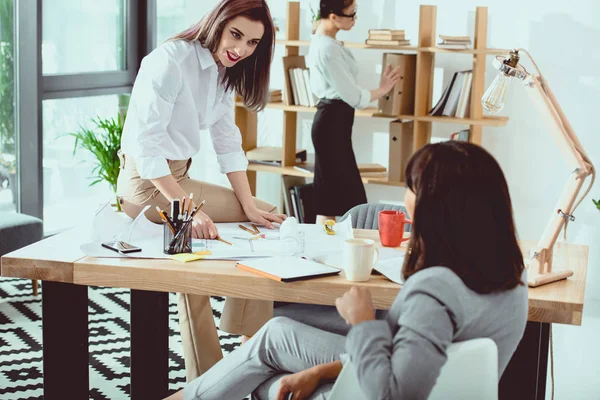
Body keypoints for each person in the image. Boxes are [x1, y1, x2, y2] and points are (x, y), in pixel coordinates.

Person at [166, 141, 529, 400]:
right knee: (276, 332)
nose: (404, 197)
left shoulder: (435, 289)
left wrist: (363, 321)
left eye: (410, 187)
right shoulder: (511, 275)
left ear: (436, 206)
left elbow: (393, 392)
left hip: (374, 388)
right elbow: (416, 358)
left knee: (272, 358)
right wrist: (321, 370)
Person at [116, 0, 286, 381]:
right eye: (236, 35)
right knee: (190, 253)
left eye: (253, 43)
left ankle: (249, 340)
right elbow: (146, 152)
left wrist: (248, 205)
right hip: (145, 185)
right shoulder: (170, 61)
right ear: (219, 23)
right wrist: (186, 208)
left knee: (265, 213)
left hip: (178, 180)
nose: (241, 49)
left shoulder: (223, 72)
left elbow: (227, 142)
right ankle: (206, 378)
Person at [307, 0, 401, 224]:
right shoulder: (327, 48)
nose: (355, 19)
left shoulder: (327, 41)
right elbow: (354, 97)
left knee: (328, 198)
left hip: (333, 124)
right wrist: (383, 89)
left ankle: (325, 250)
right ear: (332, 16)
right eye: (351, 14)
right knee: (353, 201)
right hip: (331, 125)